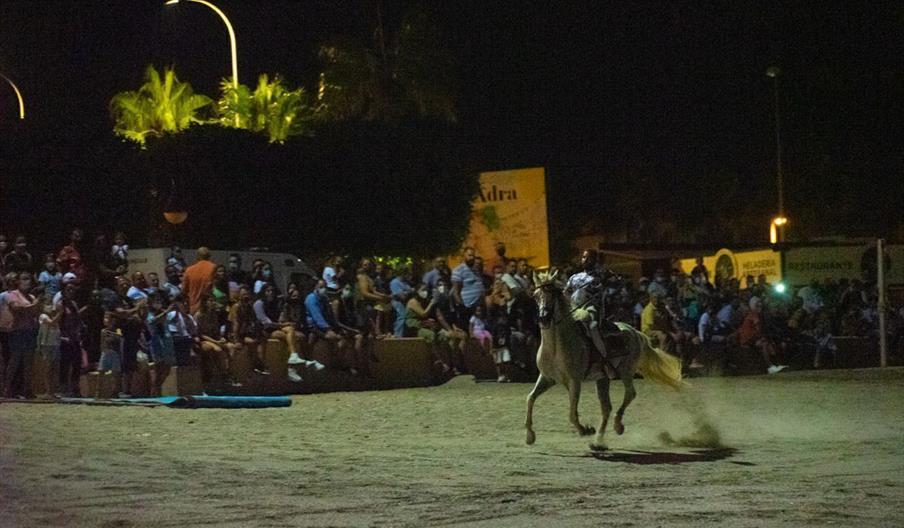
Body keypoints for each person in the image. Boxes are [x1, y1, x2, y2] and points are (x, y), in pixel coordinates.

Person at [564, 249, 621, 357]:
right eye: (583, 257)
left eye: (589, 258)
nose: (585, 260)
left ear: (594, 260)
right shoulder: (574, 277)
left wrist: (609, 278)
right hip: (574, 308)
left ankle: (604, 356)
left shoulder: (601, 276)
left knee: (593, 326)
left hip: (591, 309)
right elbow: (566, 293)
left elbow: (617, 283)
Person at [4, 272, 42, 399]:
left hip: (30, 331)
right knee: (15, 360)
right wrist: (34, 305)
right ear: (18, 281)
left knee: (28, 362)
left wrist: (35, 305)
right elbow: (17, 309)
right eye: (24, 279)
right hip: (18, 331)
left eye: (29, 279)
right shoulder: (13, 294)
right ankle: (7, 389)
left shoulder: (31, 297)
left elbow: (35, 312)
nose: (27, 281)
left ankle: (27, 389)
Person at [195, 294, 239, 386]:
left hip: (215, 339)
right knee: (218, 350)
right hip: (204, 340)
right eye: (210, 301)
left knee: (231, 347)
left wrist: (221, 338)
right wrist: (216, 342)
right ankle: (223, 375)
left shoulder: (213, 315)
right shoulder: (199, 315)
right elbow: (201, 334)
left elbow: (216, 331)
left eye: (213, 301)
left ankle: (229, 372)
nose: (213, 303)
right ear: (205, 302)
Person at [739, 296, 788, 374]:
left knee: (771, 343)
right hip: (748, 339)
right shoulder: (753, 315)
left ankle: (777, 364)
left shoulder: (760, 315)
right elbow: (757, 329)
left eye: (760, 303)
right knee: (764, 344)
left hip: (754, 337)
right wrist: (763, 337)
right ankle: (770, 367)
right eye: (757, 304)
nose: (760, 305)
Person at [146, 293, 178, 396]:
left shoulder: (163, 312)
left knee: (167, 369)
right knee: (158, 369)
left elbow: (174, 319)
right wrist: (166, 311)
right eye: (156, 300)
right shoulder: (149, 314)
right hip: (157, 343)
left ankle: (158, 388)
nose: (158, 302)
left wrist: (175, 308)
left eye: (159, 300)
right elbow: (152, 321)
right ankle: (154, 393)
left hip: (167, 342)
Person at [451, 248, 486, 334]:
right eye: (469, 255)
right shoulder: (458, 270)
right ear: (464, 256)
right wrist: (462, 306)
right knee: (467, 333)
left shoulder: (475, 270)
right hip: (467, 307)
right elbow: (456, 292)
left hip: (479, 306)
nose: (472, 258)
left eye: (473, 255)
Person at [58, 282, 83, 396]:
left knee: (77, 363)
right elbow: (58, 322)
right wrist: (62, 336)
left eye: (73, 289)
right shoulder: (61, 304)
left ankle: (75, 388)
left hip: (75, 338)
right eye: (68, 289)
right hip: (64, 338)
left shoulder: (74, 304)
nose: (71, 292)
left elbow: (77, 319)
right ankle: (63, 389)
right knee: (65, 364)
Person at [35, 301, 63, 398]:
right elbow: (51, 323)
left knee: (55, 369)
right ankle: (48, 391)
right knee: (48, 368)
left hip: (56, 345)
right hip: (47, 345)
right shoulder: (43, 316)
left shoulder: (55, 317)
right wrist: (60, 312)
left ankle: (54, 391)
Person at [182, 247, 216, 314]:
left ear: (197, 257)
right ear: (209, 257)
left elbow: (184, 290)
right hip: (210, 307)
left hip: (194, 308)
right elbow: (216, 289)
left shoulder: (189, 270)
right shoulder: (214, 267)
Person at [390, 267, 414, 338]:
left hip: (406, 304)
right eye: (408, 273)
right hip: (398, 303)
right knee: (401, 318)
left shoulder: (406, 283)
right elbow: (401, 296)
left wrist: (407, 292)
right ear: (403, 273)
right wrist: (410, 291)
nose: (409, 275)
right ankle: (398, 336)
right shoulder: (395, 282)